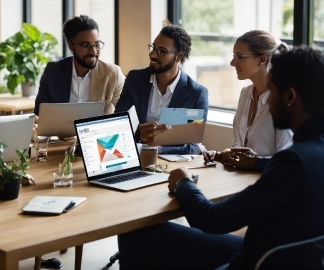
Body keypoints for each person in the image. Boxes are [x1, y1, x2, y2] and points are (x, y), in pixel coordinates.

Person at [118, 45, 324, 269]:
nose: (269, 102)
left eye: (272, 92)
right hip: (280, 259)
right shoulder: (309, 154)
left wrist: (183, 182)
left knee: (134, 235)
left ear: (290, 97)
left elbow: (211, 219)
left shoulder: (293, 163)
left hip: (251, 263)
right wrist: (258, 162)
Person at [114, 25, 208, 154]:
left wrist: (160, 148)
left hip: (175, 163)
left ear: (179, 57)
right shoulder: (135, 79)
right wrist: (139, 135)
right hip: (140, 156)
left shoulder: (196, 94)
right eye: (153, 48)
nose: (152, 54)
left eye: (162, 51)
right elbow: (116, 124)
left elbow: (194, 146)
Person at [206, 30, 293, 169]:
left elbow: (286, 159)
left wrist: (254, 163)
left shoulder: (283, 100)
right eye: (233, 56)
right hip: (240, 178)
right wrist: (223, 155)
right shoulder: (245, 93)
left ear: (262, 59)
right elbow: (237, 145)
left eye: (239, 56)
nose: (232, 62)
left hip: (269, 182)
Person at [34, 14, 125, 116]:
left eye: (97, 44)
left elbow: (123, 115)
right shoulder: (53, 71)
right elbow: (40, 114)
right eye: (85, 45)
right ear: (70, 46)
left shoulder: (113, 74)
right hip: (59, 132)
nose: (93, 51)